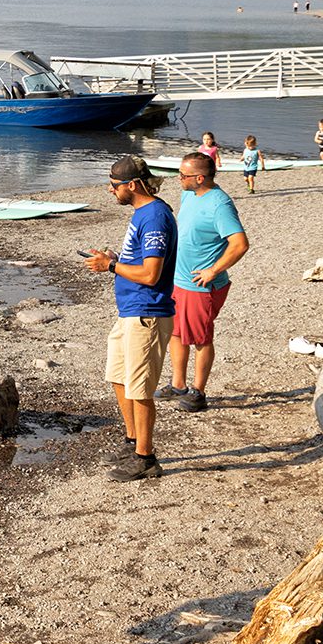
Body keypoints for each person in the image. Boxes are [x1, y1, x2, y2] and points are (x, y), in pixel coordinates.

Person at [83, 155, 175, 481]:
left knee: (140, 389)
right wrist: (116, 259)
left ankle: (146, 459)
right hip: (130, 312)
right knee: (118, 377)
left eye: (114, 185)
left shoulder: (155, 216)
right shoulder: (142, 213)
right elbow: (139, 260)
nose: (111, 191)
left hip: (147, 313)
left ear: (132, 185)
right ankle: (132, 439)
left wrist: (109, 267)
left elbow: (151, 274)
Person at [160, 151, 251, 413]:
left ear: (199, 178)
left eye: (183, 175)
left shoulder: (220, 204)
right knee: (176, 332)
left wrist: (213, 271)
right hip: (179, 279)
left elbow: (240, 244)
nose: (179, 178)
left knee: (200, 338)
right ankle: (178, 383)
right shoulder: (189, 193)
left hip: (201, 286)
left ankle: (198, 392)